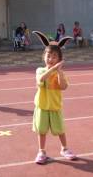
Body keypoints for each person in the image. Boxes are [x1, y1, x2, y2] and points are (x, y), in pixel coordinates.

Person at [32, 31, 76, 164]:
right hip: (42, 105)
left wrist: (60, 72)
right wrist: (53, 69)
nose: (50, 59)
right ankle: (42, 151)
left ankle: (64, 148)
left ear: (59, 59)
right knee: (41, 130)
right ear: (44, 56)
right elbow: (41, 79)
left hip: (55, 106)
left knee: (60, 129)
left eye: (54, 57)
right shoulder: (40, 70)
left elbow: (63, 87)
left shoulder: (60, 73)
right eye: (48, 55)